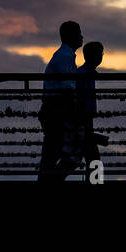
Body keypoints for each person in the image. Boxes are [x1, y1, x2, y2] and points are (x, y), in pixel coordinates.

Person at [38, 20, 83, 181]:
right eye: (78, 33)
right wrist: (76, 114)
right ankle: (50, 181)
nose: (81, 37)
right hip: (57, 111)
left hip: (53, 110)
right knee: (62, 152)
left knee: (53, 152)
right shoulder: (65, 57)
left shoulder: (63, 55)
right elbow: (68, 89)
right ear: (70, 36)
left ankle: (49, 180)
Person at [60, 41, 106, 177]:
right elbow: (80, 99)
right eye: (98, 53)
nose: (100, 56)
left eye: (101, 53)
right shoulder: (83, 74)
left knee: (77, 157)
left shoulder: (86, 73)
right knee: (91, 158)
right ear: (90, 55)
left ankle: (52, 179)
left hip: (83, 121)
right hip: (82, 121)